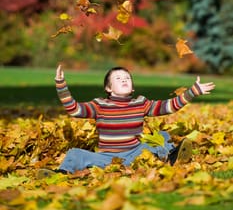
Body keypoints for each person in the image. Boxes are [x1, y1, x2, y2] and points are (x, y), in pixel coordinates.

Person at [37, 65, 215, 178]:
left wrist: (192, 91)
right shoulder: (99, 105)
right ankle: (59, 174)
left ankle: (173, 156)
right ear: (108, 88)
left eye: (127, 78)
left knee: (161, 136)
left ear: (133, 86)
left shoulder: (140, 103)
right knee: (75, 154)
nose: (124, 79)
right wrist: (61, 85)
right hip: (107, 158)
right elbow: (74, 109)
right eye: (118, 78)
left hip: (136, 152)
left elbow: (168, 106)